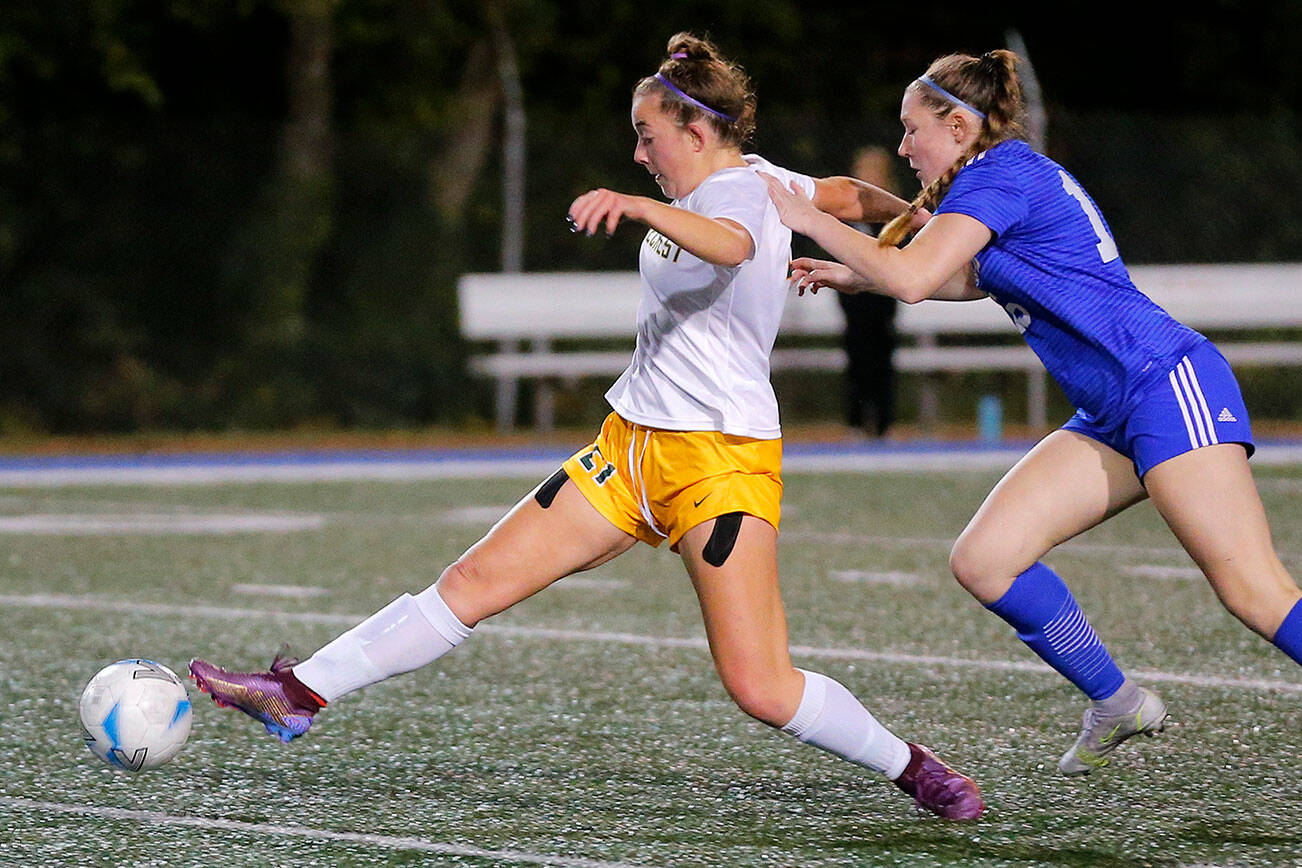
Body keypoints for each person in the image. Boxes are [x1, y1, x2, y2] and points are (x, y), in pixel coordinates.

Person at [189, 33, 983, 820]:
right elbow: (840, 194)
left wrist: (638, 206)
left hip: (719, 465)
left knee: (761, 686)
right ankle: (297, 693)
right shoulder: (763, 177)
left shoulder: (737, 197)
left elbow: (736, 245)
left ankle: (911, 767)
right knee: (467, 585)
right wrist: (918, 210)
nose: (639, 155)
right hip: (627, 449)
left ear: (697, 134)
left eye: (648, 137)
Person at [764, 49, 1302, 777]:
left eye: (911, 129)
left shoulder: (1001, 175)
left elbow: (918, 276)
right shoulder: (991, 178)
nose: (902, 147)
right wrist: (863, 276)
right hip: (1111, 410)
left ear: (958, 126)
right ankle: (1116, 701)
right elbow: (968, 277)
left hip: (1164, 383)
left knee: (1251, 589)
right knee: (985, 562)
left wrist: (807, 219)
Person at [837, 146, 900, 437]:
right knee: (856, 367)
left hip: (883, 307)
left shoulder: (892, 215)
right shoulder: (846, 215)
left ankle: (884, 425)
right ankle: (856, 423)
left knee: (882, 368)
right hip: (854, 308)